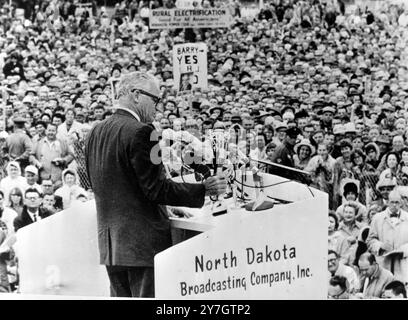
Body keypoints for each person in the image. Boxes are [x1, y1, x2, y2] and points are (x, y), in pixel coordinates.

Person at [85, 72, 227, 298]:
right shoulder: (143, 131)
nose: (157, 108)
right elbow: (156, 189)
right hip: (142, 244)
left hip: (112, 245)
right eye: (156, 100)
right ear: (136, 95)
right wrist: (204, 189)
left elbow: (107, 184)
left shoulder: (95, 131)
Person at [367, 190, 408, 283]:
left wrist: (403, 250)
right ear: (388, 202)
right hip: (383, 262)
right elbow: (370, 240)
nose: (394, 205)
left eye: (397, 202)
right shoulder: (377, 218)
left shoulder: (407, 218)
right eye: (392, 202)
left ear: (401, 203)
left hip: (402, 265)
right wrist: (380, 245)